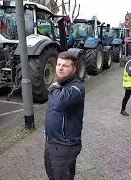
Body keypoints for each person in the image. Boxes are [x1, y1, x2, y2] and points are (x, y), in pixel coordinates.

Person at [44, 51, 85, 180]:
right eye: (59, 64)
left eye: (65, 66)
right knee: (52, 175)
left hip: (65, 145)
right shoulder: (62, 84)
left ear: (73, 70)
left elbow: (58, 102)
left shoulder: (76, 87)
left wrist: (55, 86)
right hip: (51, 142)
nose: (60, 68)